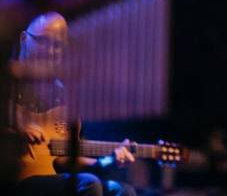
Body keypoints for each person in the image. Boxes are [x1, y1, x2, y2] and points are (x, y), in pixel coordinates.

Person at [12, 12, 136, 196]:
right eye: (44, 41)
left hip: (49, 179)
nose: (51, 51)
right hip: (13, 180)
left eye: (58, 45)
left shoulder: (62, 94)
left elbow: (65, 158)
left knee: (123, 191)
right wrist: (17, 130)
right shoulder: (6, 81)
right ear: (24, 39)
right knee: (89, 184)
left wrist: (107, 161)